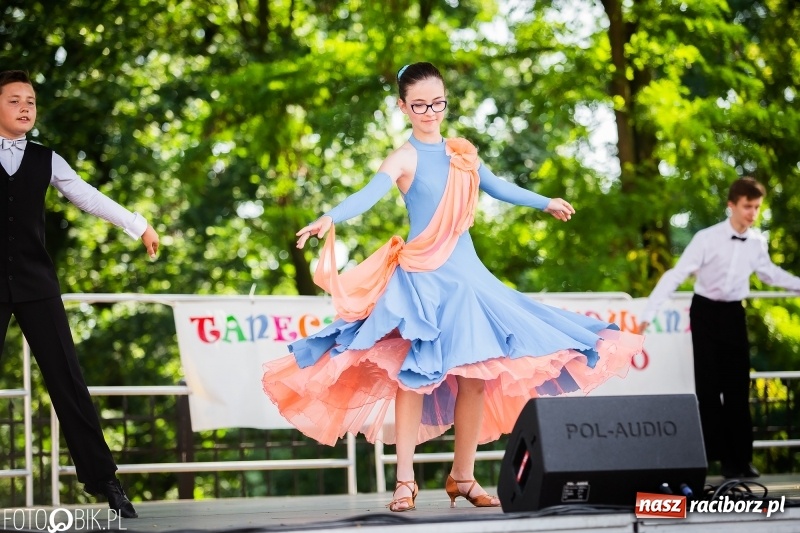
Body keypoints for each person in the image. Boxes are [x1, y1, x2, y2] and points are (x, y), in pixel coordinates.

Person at [262, 62, 644, 511]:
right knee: (409, 377)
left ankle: (463, 476)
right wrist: (329, 217)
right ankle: (404, 481)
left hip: (468, 280)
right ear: (403, 107)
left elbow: (498, 186)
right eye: (420, 104)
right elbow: (368, 193)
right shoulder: (403, 157)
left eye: (437, 102)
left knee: (476, 378)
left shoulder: (462, 153)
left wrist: (545, 202)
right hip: (423, 279)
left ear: (445, 100)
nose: (430, 112)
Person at [0, 70, 160, 518]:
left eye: (30, 100)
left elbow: (87, 197)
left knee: (67, 380)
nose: (25, 107)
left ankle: (104, 480)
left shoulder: (46, 158)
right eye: (14, 100)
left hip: (36, 284)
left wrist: (138, 225)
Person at [639, 177, 800, 480]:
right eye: (747, 207)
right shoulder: (706, 238)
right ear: (732, 206)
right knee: (709, 389)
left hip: (733, 314)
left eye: (756, 207)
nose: (752, 213)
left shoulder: (757, 242)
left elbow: (768, 274)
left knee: (738, 388)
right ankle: (717, 459)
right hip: (705, 312)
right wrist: (650, 311)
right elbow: (677, 275)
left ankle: (741, 460)